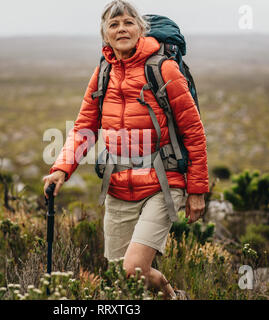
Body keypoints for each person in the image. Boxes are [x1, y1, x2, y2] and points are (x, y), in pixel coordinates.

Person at [43, 0, 208, 299]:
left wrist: (197, 189)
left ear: (141, 29)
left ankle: (174, 297)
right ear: (105, 35)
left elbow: (193, 132)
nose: (122, 29)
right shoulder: (103, 73)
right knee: (122, 280)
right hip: (118, 185)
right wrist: (60, 169)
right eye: (114, 24)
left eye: (128, 22)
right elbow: (84, 127)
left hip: (163, 182)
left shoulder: (164, 69)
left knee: (134, 270)